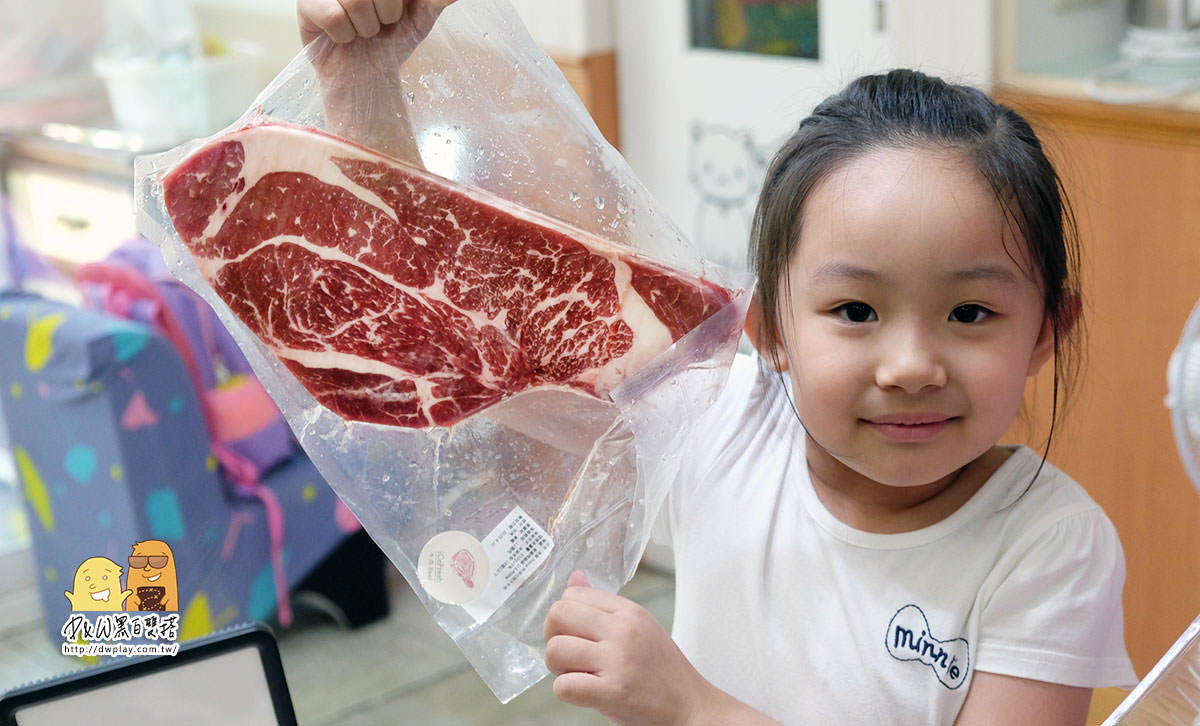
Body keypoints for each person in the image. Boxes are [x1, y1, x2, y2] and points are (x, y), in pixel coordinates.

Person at [298, 2, 1137, 723]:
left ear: (1046, 332)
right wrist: (364, 85)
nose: (911, 364)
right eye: (855, 311)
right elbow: (463, 337)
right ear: (770, 327)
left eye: (969, 313)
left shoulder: (1050, 547)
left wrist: (693, 707)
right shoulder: (722, 422)